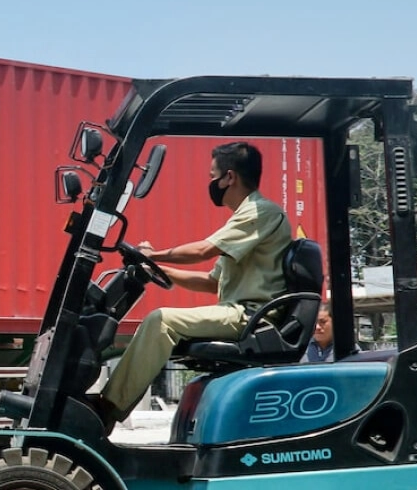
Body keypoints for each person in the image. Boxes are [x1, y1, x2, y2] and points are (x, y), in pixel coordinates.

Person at [92, 142, 292, 432]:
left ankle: (107, 409)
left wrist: (155, 255)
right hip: (238, 312)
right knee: (163, 320)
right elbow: (211, 282)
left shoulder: (261, 213)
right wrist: (155, 269)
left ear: (230, 177)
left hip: (252, 317)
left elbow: (203, 251)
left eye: (214, 175)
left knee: (161, 321)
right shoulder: (243, 220)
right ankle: (109, 404)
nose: (211, 182)